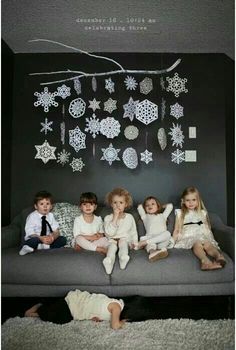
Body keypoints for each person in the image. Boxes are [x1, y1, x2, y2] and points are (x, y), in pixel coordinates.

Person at [172, 186, 226, 271]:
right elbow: (177, 229)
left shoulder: (202, 213)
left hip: (201, 234)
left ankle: (219, 257)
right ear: (183, 201)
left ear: (198, 201)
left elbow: (207, 228)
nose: (191, 203)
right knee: (197, 243)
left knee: (207, 243)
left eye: (193, 200)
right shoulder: (180, 213)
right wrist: (172, 242)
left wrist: (210, 238)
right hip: (188, 235)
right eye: (187, 200)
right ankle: (205, 262)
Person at [19, 190, 67, 256]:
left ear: (51, 206)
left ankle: (43, 246)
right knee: (33, 240)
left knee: (62, 239)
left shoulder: (51, 216)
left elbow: (56, 231)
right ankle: (27, 247)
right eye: (41, 204)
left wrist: (52, 237)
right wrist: (40, 238)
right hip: (36, 237)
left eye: (47, 204)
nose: (45, 206)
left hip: (48, 239)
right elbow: (30, 232)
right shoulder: (32, 216)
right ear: (36, 206)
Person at [103, 188, 138, 274]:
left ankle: (123, 258)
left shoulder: (129, 217)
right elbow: (109, 233)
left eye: (121, 202)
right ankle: (108, 262)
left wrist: (135, 243)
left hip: (124, 239)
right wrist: (115, 217)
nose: (118, 205)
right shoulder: (108, 218)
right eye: (115, 202)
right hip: (112, 239)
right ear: (111, 204)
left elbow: (133, 231)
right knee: (112, 247)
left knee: (123, 244)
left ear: (125, 204)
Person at [136, 196, 174, 262]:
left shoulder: (163, 215)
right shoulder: (145, 216)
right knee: (151, 245)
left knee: (167, 233)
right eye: (147, 205)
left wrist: (160, 207)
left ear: (157, 206)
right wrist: (146, 206)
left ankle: (145, 243)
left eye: (153, 204)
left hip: (162, 240)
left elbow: (170, 206)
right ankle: (153, 253)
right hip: (150, 238)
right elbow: (139, 206)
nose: (150, 206)